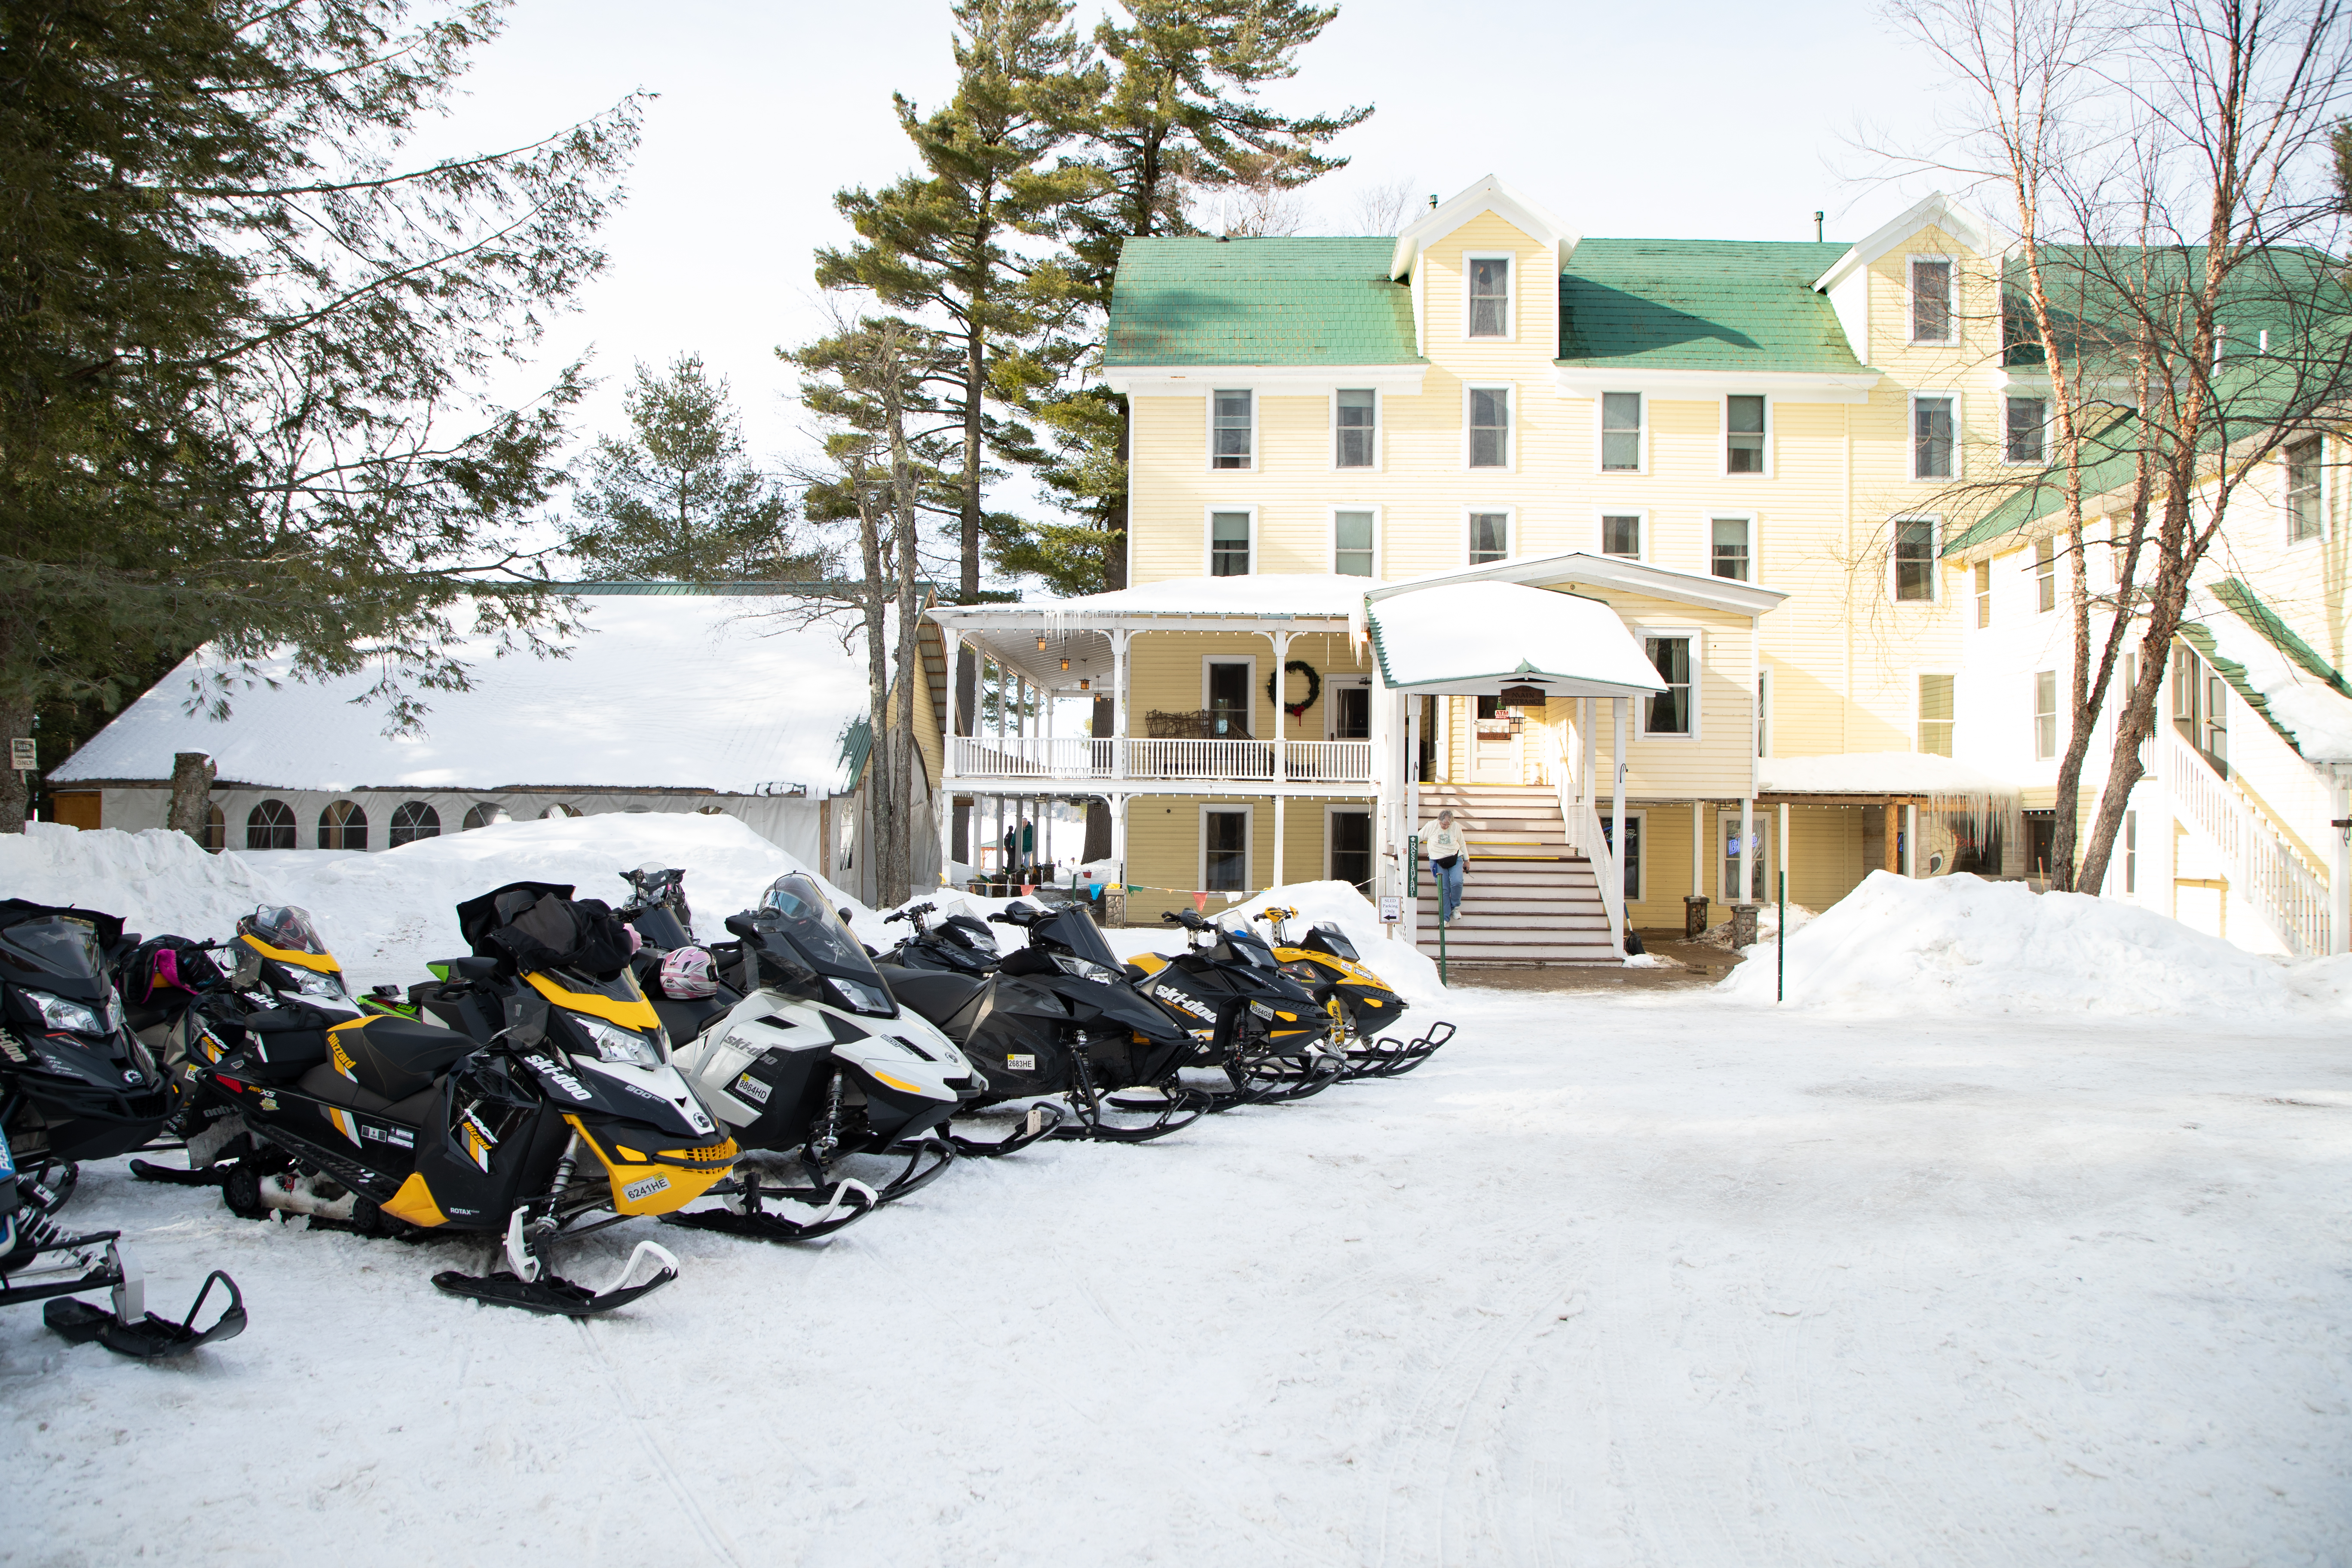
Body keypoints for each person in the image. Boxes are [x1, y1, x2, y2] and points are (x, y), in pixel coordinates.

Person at [1426, 808, 1468, 923]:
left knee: (1457, 882)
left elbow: (1462, 842)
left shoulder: (1455, 827)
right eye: (1444, 825)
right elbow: (1418, 837)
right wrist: (1408, 848)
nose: (1446, 827)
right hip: (1437, 860)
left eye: (1448, 825)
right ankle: (1445, 918)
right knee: (1444, 888)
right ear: (1439, 821)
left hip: (1455, 857)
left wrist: (1467, 859)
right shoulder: (1431, 826)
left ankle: (1455, 907)